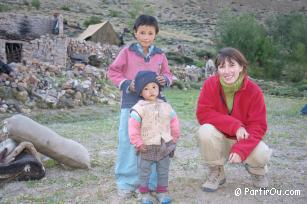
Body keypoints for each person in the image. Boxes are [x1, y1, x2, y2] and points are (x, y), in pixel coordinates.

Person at [107, 15, 173, 198]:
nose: (146, 36)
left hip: (154, 106)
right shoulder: (127, 52)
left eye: (150, 33)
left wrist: (165, 79)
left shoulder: (160, 55)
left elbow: (168, 73)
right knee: (129, 143)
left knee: (152, 142)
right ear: (135, 33)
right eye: (142, 32)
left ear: (155, 35)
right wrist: (127, 84)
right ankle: (126, 183)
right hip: (131, 104)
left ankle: (150, 184)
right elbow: (113, 71)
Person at [196, 47, 272, 192]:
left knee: (262, 152)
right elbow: (203, 113)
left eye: (232, 65)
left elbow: (258, 125)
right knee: (204, 131)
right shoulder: (210, 84)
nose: (226, 71)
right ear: (217, 69)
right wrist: (235, 126)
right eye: (222, 66)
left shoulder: (254, 90)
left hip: (244, 140)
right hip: (220, 138)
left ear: (241, 67)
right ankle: (216, 171)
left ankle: (258, 172)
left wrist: (241, 149)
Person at [129, 70, 180, 204]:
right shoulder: (138, 108)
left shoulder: (166, 106)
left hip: (164, 145)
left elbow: (174, 123)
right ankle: (144, 194)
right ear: (140, 92)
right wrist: (138, 143)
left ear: (159, 88)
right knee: (144, 171)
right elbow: (133, 128)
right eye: (146, 88)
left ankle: (161, 193)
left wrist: (174, 139)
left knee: (163, 170)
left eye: (154, 87)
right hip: (146, 146)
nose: (151, 91)